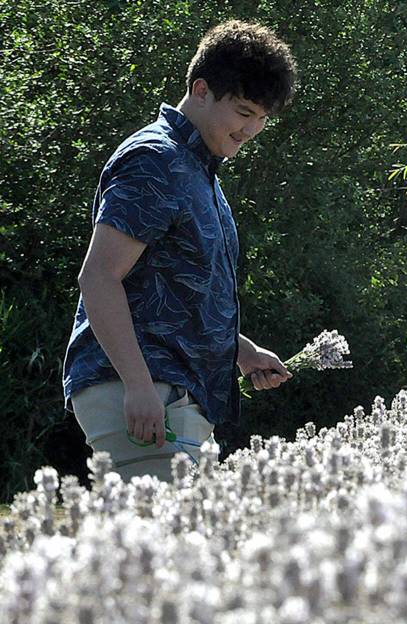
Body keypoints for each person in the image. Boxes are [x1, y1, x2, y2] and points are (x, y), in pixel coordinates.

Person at [63, 20, 298, 481]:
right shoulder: (155, 160)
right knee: (159, 549)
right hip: (141, 395)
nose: (251, 129)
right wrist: (138, 385)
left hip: (173, 395)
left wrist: (240, 350)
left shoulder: (197, 170)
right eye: (244, 111)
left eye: (262, 119)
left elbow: (175, 291)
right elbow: (99, 277)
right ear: (202, 89)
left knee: (178, 546)